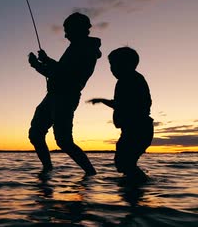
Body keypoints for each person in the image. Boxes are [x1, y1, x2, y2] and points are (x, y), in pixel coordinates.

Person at [28, 12, 101, 175]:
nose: (65, 34)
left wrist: (40, 63)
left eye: (68, 29)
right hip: (52, 97)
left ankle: (90, 173)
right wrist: (43, 62)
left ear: (79, 29)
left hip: (65, 98)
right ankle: (47, 170)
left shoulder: (86, 49)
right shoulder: (75, 47)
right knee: (36, 134)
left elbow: (65, 74)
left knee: (63, 141)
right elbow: (59, 71)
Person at [86, 47, 153, 182]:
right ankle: (134, 190)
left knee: (125, 164)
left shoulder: (130, 79)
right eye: (111, 65)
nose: (111, 69)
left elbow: (125, 104)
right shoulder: (129, 79)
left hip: (138, 129)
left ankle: (138, 188)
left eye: (114, 64)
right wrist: (103, 101)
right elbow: (121, 103)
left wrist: (105, 101)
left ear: (127, 64)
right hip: (134, 129)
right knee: (124, 164)